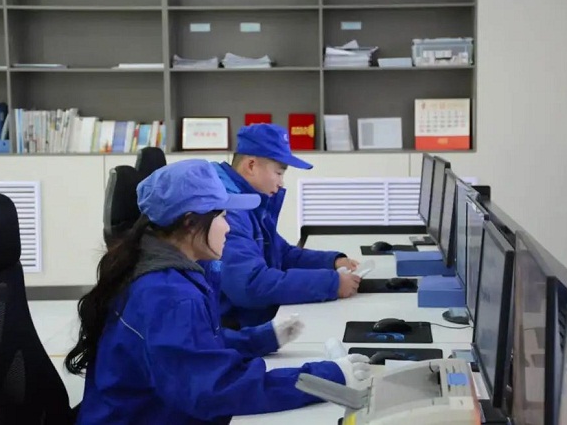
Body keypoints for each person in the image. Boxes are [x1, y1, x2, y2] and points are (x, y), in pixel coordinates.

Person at [65, 159, 371, 424]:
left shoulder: (164, 268)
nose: (229, 227)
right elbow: (216, 389)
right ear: (190, 223)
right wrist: (327, 378)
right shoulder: (169, 296)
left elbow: (192, 346)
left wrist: (261, 338)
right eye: (223, 216)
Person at [213, 123, 361, 328]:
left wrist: (332, 262)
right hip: (236, 330)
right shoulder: (230, 211)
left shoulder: (251, 204)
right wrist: (331, 284)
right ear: (251, 166)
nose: (281, 183)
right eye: (279, 173)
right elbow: (250, 284)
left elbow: (281, 254)